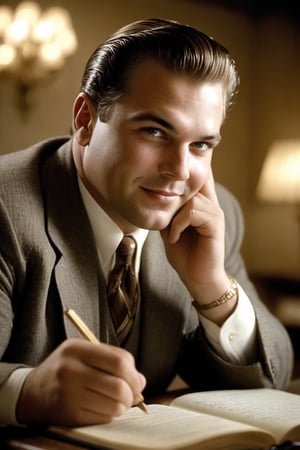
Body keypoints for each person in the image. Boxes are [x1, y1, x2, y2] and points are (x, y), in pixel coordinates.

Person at [0, 18, 293, 427]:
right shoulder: (5, 207)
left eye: (201, 145)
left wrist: (212, 287)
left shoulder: (209, 213)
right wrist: (27, 392)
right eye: (154, 131)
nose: (178, 171)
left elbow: (272, 374)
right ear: (85, 120)